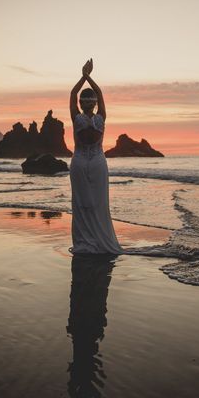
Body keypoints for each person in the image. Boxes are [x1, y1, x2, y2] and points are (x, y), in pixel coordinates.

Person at [68, 58, 124, 254]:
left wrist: (83, 76)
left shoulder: (76, 116)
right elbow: (99, 93)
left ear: (82, 104)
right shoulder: (101, 117)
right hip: (97, 162)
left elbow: (73, 93)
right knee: (98, 203)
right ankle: (100, 241)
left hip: (79, 162)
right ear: (94, 104)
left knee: (82, 203)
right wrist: (89, 77)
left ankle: (85, 241)